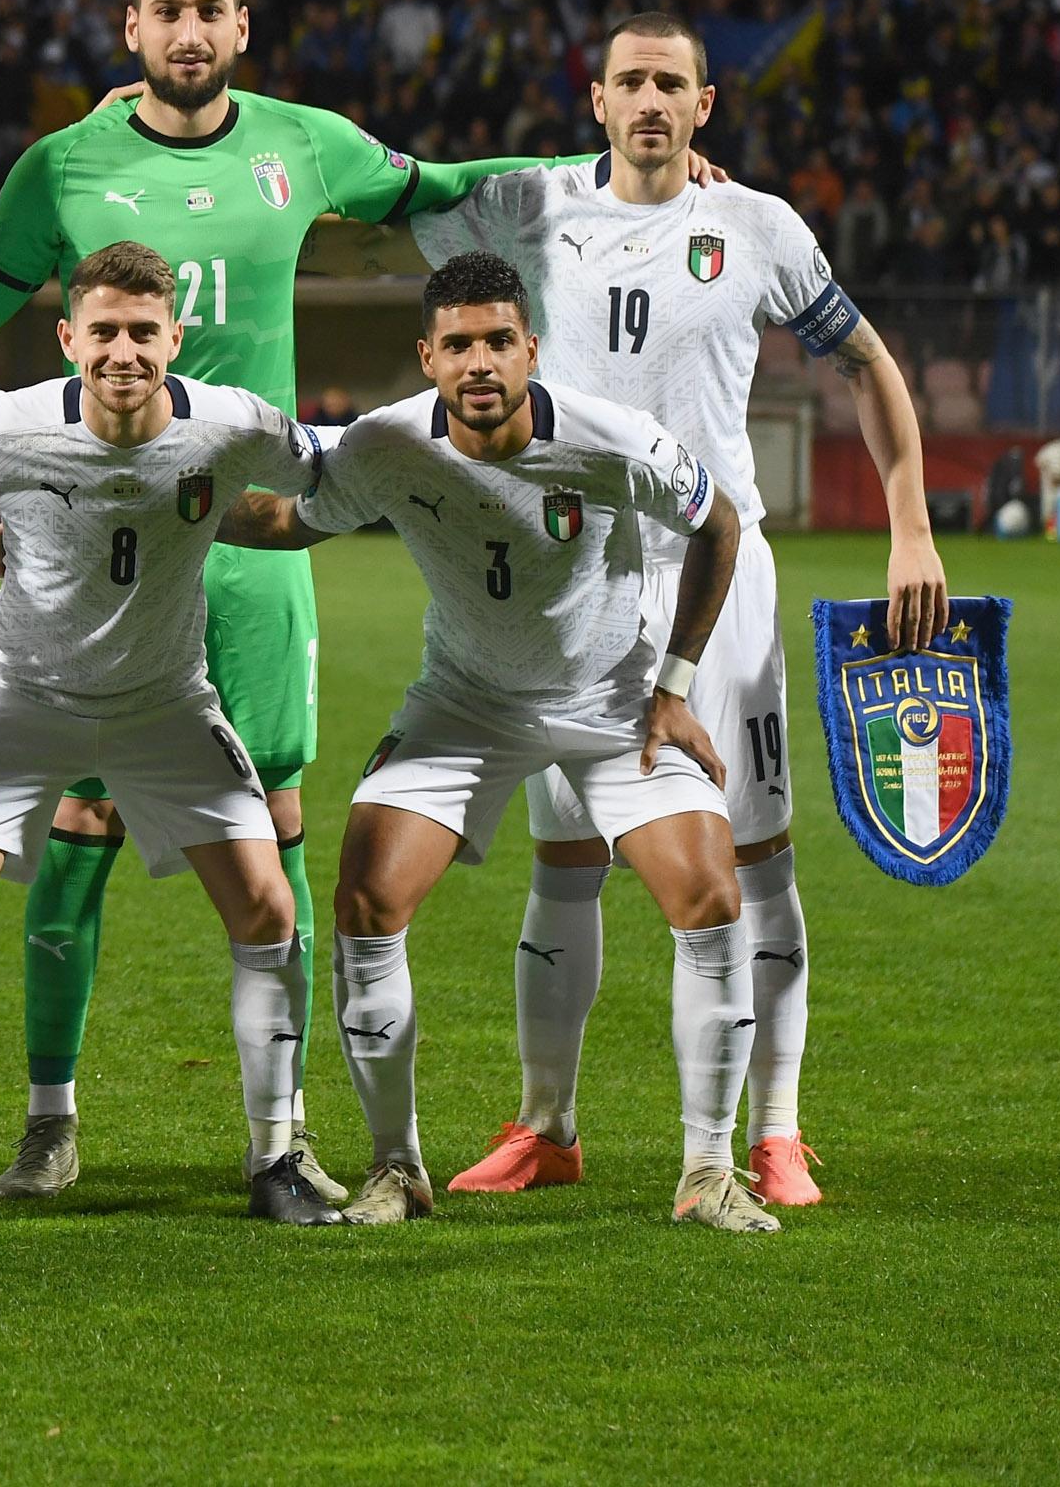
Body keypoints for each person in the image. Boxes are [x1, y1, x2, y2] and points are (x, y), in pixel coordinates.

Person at [0, 0, 564, 1202]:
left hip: (251, 537)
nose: (188, 31)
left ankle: (283, 1133)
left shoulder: (306, 141)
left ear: (241, 25)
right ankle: (49, 1117)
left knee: (279, 828)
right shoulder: (62, 165)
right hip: (97, 554)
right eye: (165, 12)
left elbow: (441, 187)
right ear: (127, 27)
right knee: (80, 821)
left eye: (208, 10)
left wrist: (613, 168)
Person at [409, 10, 946, 1207]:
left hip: (721, 567)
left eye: (673, 84)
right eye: (629, 82)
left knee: (756, 856)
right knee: (566, 857)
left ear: (706, 106)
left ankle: (776, 1130)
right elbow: (385, 189)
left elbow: (867, 364)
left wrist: (911, 522)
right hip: (573, 575)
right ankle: (548, 1125)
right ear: (593, 98)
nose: (650, 100)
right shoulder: (526, 203)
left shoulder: (756, 226)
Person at [218, 252, 777, 1233]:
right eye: (459, 344)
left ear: (531, 350)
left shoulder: (615, 440)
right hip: (465, 702)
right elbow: (285, 520)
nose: (480, 363)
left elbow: (719, 524)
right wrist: (153, 501)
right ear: (427, 356)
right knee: (366, 895)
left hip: (608, 700)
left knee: (711, 894)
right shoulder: (386, 445)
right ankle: (398, 1168)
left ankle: (708, 1170)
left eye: (498, 342)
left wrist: (674, 683)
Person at [0, 242, 341, 1227]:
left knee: (264, 906)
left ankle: (274, 1160)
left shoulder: (232, 423)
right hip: (21, 699)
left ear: (174, 336)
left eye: (142, 331)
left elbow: (333, 470)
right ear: (69, 336)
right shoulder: (8, 427)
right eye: (105, 331)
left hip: (165, 703)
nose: (123, 351)